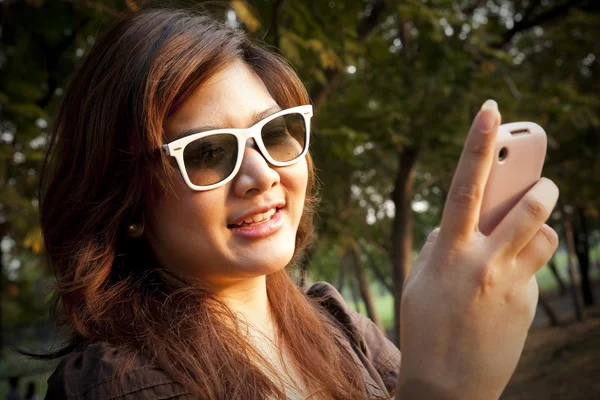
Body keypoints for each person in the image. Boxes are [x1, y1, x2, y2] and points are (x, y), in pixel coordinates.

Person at [39, 7, 559, 400]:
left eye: (275, 132)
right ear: (126, 202)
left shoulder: (335, 323)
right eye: (206, 153)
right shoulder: (116, 383)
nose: (261, 174)